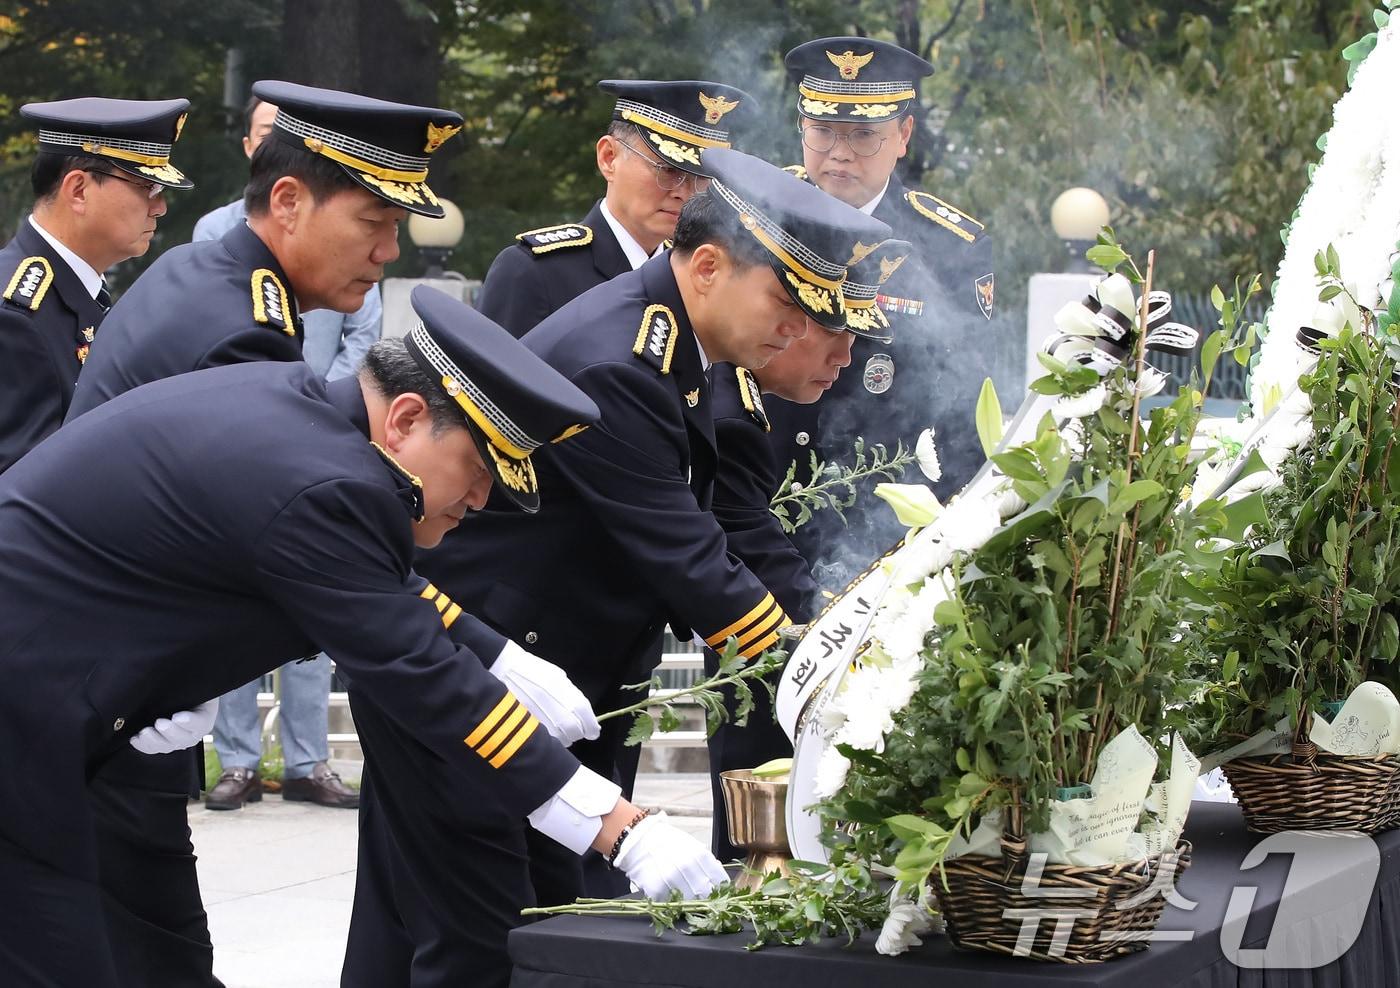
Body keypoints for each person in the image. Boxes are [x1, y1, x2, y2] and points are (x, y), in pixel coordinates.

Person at [0, 284, 725, 988]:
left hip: (57, 709)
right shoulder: (326, 486)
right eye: (477, 470)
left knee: (139, 957)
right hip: (27, 719)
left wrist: (496, 653)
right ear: (406, 418)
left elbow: (378, 587)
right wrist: (620, 829)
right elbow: (423, 678)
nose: (477, 502)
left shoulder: (308, 427)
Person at [397, 149, 889, 971]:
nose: (800, 332)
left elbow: (728, 519)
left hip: (572, 667)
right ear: (706, 267)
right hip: (494, 669)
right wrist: (835, 680)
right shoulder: (620, 360)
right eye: (786, 303)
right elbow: (688, 556)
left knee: (540, 923)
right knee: (481, 935)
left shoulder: (689, 353)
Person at [60, 81, 463, 986]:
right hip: (107, 698)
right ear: (287, 201)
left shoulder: (208, 281)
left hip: (118, 687)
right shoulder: (241, 335)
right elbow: (317, 552)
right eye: (372, 221)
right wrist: (478, 655)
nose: (389, 251)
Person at [192, 92, 383, 812]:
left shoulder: (343, 234)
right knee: (238, 608)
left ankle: (308, 761)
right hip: (240, 433)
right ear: (249, 148)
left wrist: (321, 398)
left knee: (311, 622)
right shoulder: (215, 231)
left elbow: (364, 334)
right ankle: (238, 760)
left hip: (318, 418)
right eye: (265, 131)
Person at [704, 238, 913, 861]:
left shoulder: (731, 385)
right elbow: (737, 538)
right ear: (786, 325)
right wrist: (846, 631)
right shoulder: (728, 409)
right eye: (834, 336)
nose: (850, 359)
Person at [769, 36, 997, 589]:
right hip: (754, 528)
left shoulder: (951, 248)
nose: (840, 153)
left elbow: (967, 418)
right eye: (823, 131)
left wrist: (945, 548)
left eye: (864, 136)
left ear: (903, 136)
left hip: (884, 543)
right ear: (802, 127)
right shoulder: (749, 215)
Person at [0, 96, 191, 473]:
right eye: (147, 187)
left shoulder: (74, 290)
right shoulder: (17, 317)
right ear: (79, 191)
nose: (160, 207)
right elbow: (21, 487)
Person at [476, 79, 751, 337]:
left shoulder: (699, 279)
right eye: (668, 170)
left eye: (701, 178)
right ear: (609, 158)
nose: (686, 193)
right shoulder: (534, 273)